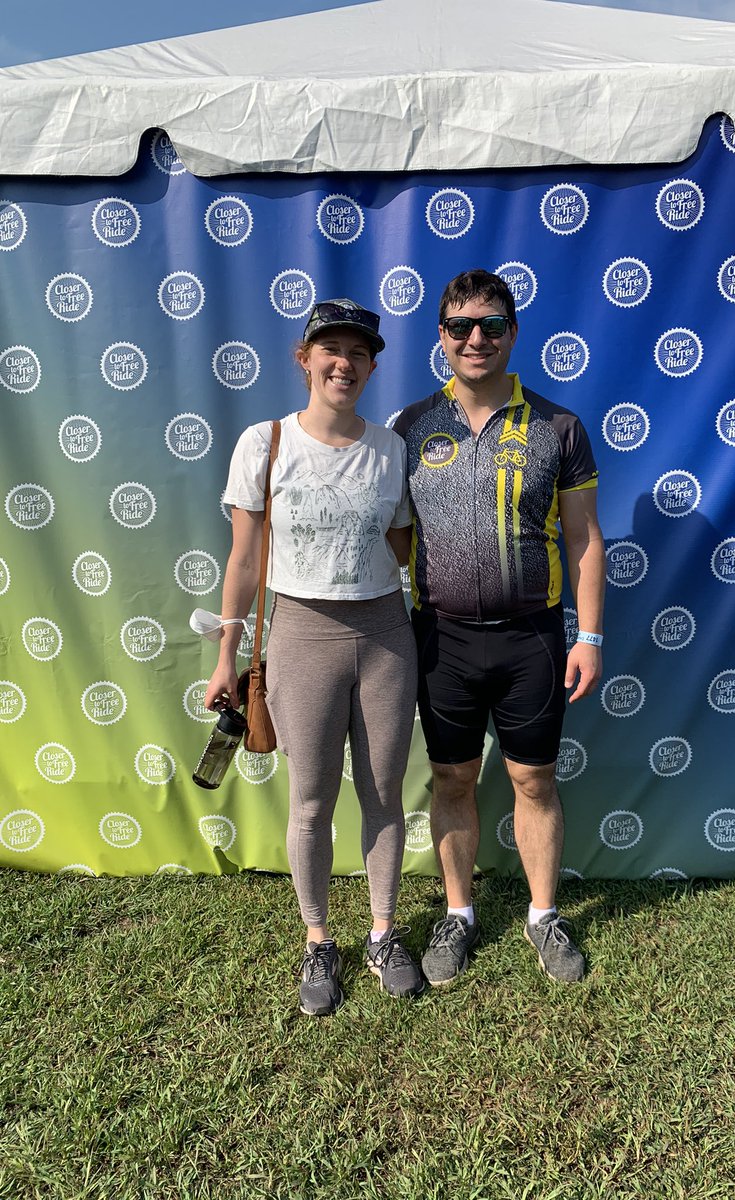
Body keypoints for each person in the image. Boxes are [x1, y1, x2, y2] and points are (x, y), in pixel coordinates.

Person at [205, 299, 423, 1016]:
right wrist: (225, 658)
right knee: (311, 800)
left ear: (372, 365)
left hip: (386, 633)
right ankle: (318, 939)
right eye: (329, 349)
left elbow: (403, 547)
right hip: (300, 634)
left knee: (384, 791)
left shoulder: (392, 450)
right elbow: (242, 561)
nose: (344, 363)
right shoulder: (264, 444)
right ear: (303, 358)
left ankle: (384, 932)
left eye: (358, 353)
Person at [392, 269, 605, 985]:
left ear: (513, 333)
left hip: (531, 638)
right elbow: (395, 534)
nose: (475, 338)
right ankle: (459, 913)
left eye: (490, 325)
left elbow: (584, 541)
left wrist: (590, 636)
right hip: (442, 638)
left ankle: (544, 916)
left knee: (534, 780)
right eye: (459, 327)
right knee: (451, 780)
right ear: (440, 339)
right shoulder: (410, 427)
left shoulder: (558, 426)